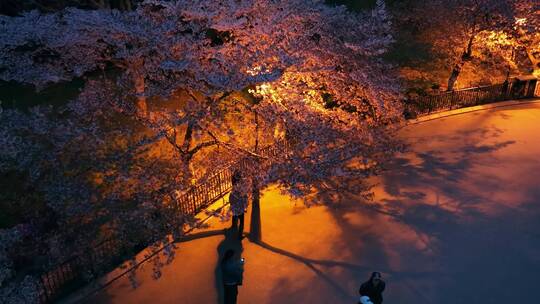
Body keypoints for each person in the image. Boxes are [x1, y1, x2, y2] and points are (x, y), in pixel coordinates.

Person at [229, 170, 248, 240]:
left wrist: (232, 204)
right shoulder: (241, 189)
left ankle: (234, 226)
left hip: (235, 207)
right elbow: (245, 197)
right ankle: (240, 235)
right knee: (242, 222)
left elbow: (231, 198)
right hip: (240, 208)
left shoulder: (233, 189)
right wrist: (245, 205)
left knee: (235, 216)